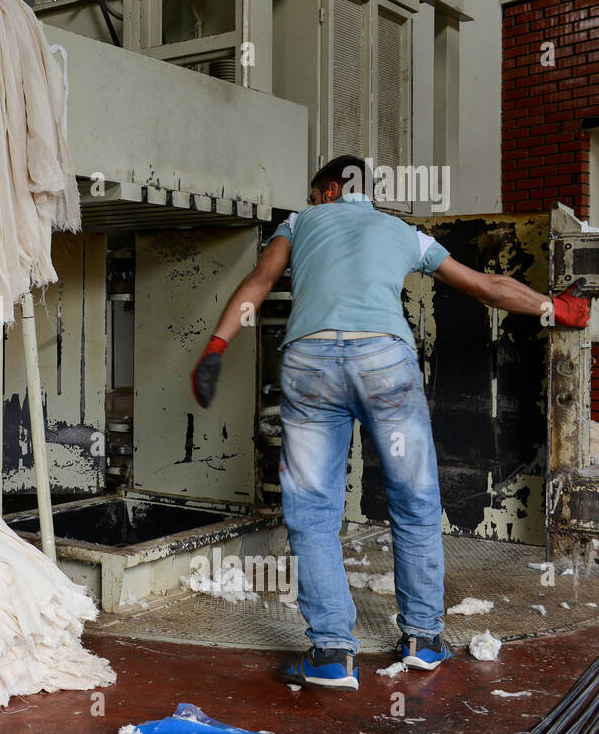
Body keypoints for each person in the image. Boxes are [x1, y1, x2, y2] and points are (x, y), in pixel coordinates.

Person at [192, 155, 591, 691]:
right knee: (415, 498)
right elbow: (486, 287)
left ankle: (332, 651)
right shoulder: (404, 233)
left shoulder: (298, 223)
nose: (314, 204)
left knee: (311, 510)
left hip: (310, 363)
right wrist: (556, 309)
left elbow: (259, 282)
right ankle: (424, 639)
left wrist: (217, 344)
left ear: (331, 190)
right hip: (384, 363)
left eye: (316, 195)